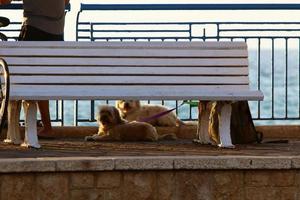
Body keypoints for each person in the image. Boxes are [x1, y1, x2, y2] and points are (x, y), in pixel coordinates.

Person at [0, 0, 70, 138]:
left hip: (34, 29)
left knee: (25, 78)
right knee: (42, 78)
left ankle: (12, 125)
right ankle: (47, 126)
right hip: (57, 32)